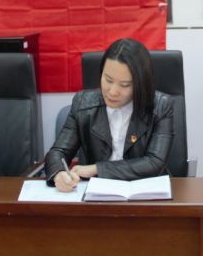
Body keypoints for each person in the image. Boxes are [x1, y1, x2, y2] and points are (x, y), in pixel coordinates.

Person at [45, 38, 174, 191]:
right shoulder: (83, 103)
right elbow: (58, 152)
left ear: (140, 84)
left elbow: (154, 162)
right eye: (108, 80)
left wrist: (96, 169)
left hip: (146, 192)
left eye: (124, 85)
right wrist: (59, 174)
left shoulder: (160, 106)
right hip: (97, 194)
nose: (112, 92)